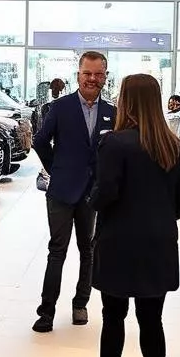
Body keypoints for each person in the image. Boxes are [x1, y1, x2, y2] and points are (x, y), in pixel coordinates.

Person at [67, 74, 180, 357]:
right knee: (152, 320)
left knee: (113, 317)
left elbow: (106, 194)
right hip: (159, 245)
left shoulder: (115, 144)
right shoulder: (174, 146)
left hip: (119, 243)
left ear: (126, 101)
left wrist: (90, 200)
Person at [31, 52, 114, 332]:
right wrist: (57, 167)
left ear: (105, 76)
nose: (92, 79)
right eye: (87, 73)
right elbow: (40, 141)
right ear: (77, 75)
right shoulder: (60, 107)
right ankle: (47, 312)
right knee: (57, 251)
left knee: (88, 250)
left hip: (92, 194)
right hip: (62, 192)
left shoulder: (111, 112)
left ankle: (81, 304)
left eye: (98, 74)